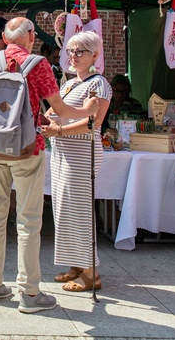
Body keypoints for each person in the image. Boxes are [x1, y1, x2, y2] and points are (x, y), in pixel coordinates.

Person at [0, 17, 97, 313]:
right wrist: (88, 111)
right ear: (30, 35)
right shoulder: (38, 64)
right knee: (28, 221)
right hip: (28, 149)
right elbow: (62, 109)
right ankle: (29, 292)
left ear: (3, 37)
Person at [43, 31, 111, 293]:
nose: (73, 56)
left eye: (80, 51)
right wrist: (49, 120)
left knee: (79, 212)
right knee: (64, 211)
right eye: (70, 51)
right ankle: (77, 264)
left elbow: (94, 123)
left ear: (94, 55)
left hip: (81, 155)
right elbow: (58, 114)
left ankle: (91, 273)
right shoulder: (70, 83)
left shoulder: (99, 84)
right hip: (63, 154)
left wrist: (58, 130)